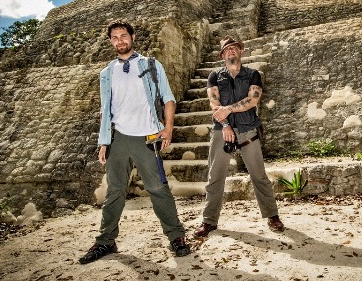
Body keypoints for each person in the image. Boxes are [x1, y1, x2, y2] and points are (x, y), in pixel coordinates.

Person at [79, 19, 190, 264]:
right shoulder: (106, 73)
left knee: (158, 188)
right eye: (115, 37)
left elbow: (168, 98)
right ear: (111, 42)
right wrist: (104, 142)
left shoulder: (150, 64)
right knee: (115, 191)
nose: (119, 40)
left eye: (123, 36)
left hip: (147, 136)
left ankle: (176, 236)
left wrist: (168, 128)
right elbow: (105, 109)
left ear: (133, 37)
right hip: (118, 138)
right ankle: (105, 241)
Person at [194, 36, 284, 237]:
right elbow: (214, 104)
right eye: (227, 49)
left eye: (234, 48)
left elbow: (252, 100)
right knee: (215, 177)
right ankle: (209, 221)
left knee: (259, 175)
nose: (231, 51)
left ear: (241, 51)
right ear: (222, 55)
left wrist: (228, 109)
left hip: (248, 129)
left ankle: (272, 215)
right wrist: (225, 125)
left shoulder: (253, 75)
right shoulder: (214, 76)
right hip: (222, 130)